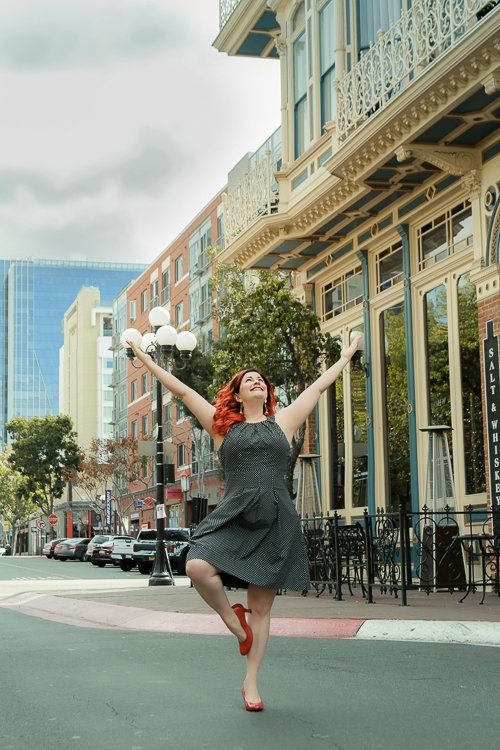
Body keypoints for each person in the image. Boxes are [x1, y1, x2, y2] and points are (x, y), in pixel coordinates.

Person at [128, 334, 360, 711]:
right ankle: (233, 621)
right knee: (197, 565)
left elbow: (318, 387)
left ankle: (251, 684)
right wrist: (145, 359)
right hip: (235, 513)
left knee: (263, 607)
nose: (257, 381)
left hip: (274, 517)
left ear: (267, 394)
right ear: (236, 395)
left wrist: (347, 355)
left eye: (261, 380)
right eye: (247, 379)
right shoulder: (223, 428)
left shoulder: (281, 422)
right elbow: (185, 392)